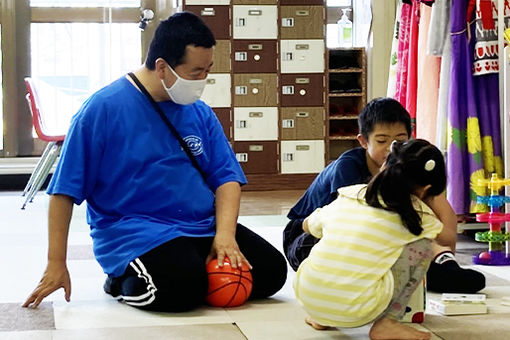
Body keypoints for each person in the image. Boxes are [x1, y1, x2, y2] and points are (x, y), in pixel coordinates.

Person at [23, 12, 287, 312]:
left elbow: (227, 180)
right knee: (181, 289)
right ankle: (120, 281)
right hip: (137, 232)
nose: (203, 80)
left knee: (271, 273)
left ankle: (192, 271)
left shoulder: (199, 112)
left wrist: (225, 235)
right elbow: (63, 192)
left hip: (201, 226)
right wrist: (56, 263)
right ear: (162, 67)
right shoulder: (102, 109)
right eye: (196, 72)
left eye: (208, 70)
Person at [284, 97, 485, 294]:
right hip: (307, 236)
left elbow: (444, 215)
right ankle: (429, 273)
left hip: (361, 236)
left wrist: (445, 253)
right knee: (382, 246)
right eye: (382, 141)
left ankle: (441, 269)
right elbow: (354, 225)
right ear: (363, 141)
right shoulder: (348, 168)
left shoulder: (407, 164)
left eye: (400, 140)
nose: (391, 148)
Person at [294, 139, 455, 340]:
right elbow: (448, 237)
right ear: (425, 189)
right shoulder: (417, 214)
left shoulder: (350, 195)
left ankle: (322, 317)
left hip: (308, 297)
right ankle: (387, 324)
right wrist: (431, 201)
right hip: (358, 309)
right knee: (422, 246)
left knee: (333, 235)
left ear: (384, 167)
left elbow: (307, 225)